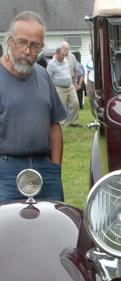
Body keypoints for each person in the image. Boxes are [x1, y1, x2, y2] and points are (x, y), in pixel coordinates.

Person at [0, 11, 66, 203]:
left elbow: (54, 126)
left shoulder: (43, 75)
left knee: (52, 219)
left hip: (45, 170)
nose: (28, 51)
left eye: (35, 45)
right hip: (6, 173)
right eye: (22, 42)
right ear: (10, 41)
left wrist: (55, 168)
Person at [47, 45, 81, 127]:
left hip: (70, 86)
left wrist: (75, 81)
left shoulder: (66, 60)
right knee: (60, 107)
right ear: (57, 54)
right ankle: (60, 124)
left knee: (75, 103)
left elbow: (72, 70)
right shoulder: (51, 64)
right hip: (59, 88)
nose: (63, 57)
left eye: (64, 55)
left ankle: (74, 122)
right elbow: (48, 77)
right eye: (62, 55)